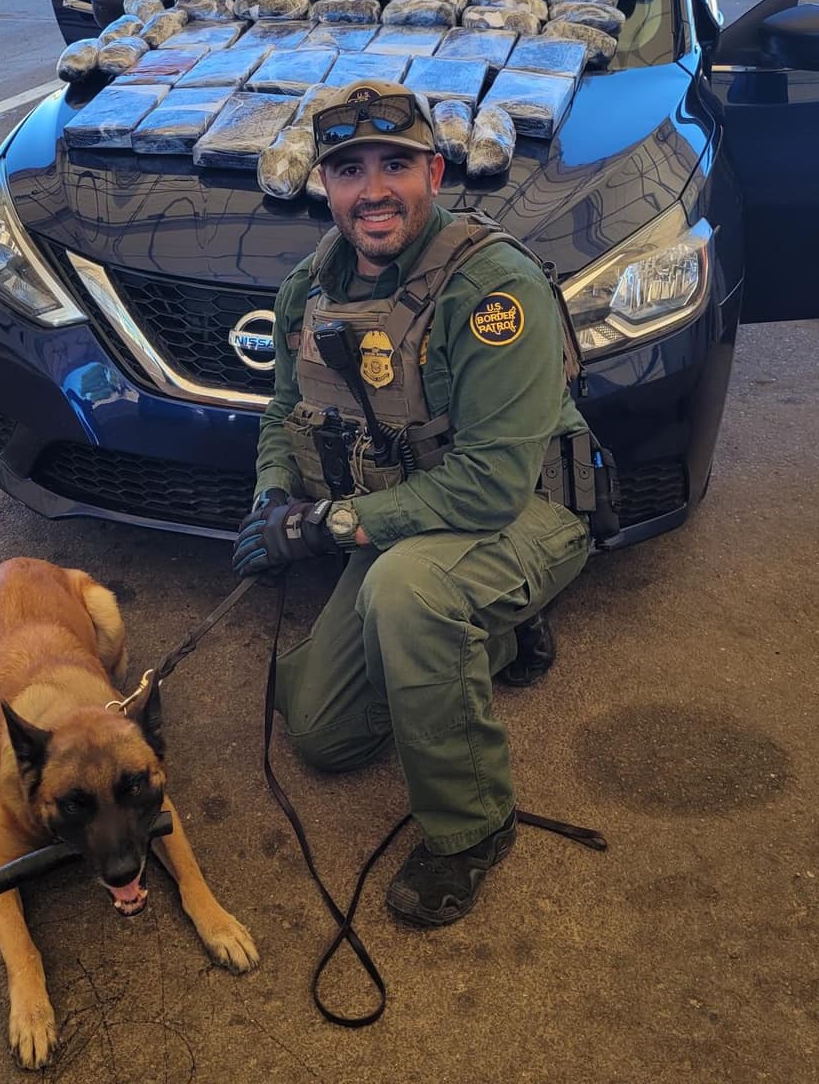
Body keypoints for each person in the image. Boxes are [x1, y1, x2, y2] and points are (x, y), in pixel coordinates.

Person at [231, 81, 593, 927]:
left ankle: (473, 828)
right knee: (320, 734)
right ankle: (496, 635)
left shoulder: (491, 288)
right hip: (409, 518)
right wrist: (273, 497)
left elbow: (493, 483)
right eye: (349, 169)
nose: (374, 190)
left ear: (433, 172)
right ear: (324, 184)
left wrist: (329, 524)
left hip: (525, 510)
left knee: (407, 595)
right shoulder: (308, 286)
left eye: (395, 165)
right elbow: (283, 410)